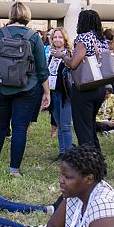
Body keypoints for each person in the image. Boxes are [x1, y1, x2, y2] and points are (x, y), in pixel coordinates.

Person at [0, 2, 50, 175]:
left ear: (11, 14)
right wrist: (47, 92)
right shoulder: (34, 36)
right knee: (20, 128)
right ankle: (14, 169)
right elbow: (42, 68)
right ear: (27, 15)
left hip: (0, 86)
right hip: (27, 88)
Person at [63, 9, 111, 152]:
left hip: (84, 87)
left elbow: (73, 64)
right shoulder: (102, 40)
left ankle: (88, 164)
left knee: (83, 130)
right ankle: (98, 162)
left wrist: (63, 56)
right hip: (100, 87)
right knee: (90, 126)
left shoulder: (83, 39)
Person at [46, 27, 74, 155]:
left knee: (66, 125)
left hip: (65, 94)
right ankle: (62, 152)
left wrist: (63, 56)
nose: (57, 40)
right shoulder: (51, 54)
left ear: (65, 39)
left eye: (60, 37)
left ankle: (68, 153)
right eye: (55, 37)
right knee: (58, 124)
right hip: (53, 92)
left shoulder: (69, 54)